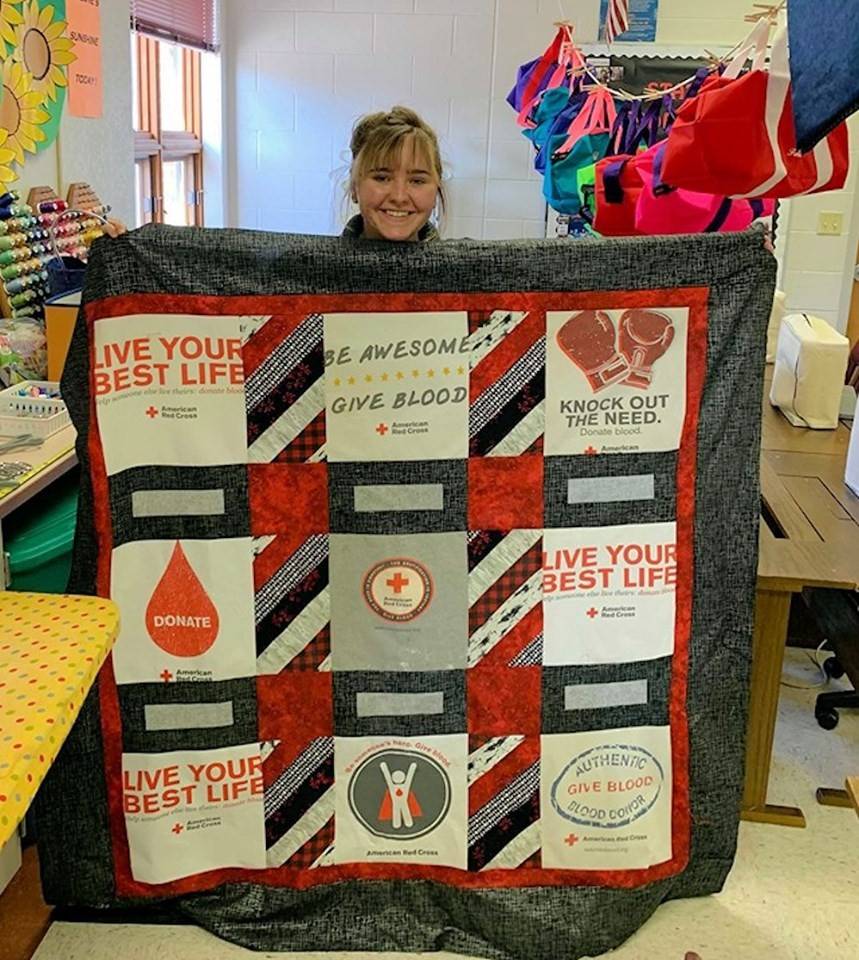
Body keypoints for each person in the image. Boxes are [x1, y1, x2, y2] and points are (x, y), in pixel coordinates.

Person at [103, 105, 445, 244]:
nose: (400, 195)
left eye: (417, 180)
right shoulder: (310, 272)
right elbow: (212, 274)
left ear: (436, 188)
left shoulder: (469, 275)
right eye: (382, 177)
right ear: (354, 187)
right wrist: (136, 249)